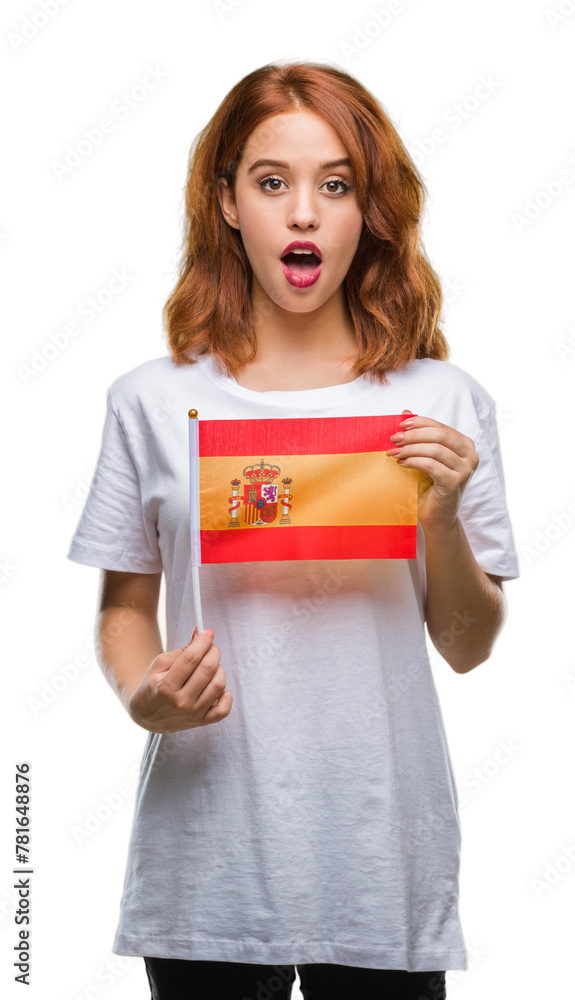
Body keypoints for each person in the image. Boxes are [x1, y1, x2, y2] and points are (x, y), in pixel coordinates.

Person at [66, 60, 520, 1000]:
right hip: (208, 862)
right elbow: (123, 609)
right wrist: (141, 695)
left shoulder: (444, 403)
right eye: (272, 182)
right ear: (228, 203)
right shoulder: (153, 402)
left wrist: (438, 518)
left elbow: (468, 646)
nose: (304, 213)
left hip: (381, 858)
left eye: (336, 184)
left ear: (369, 208)